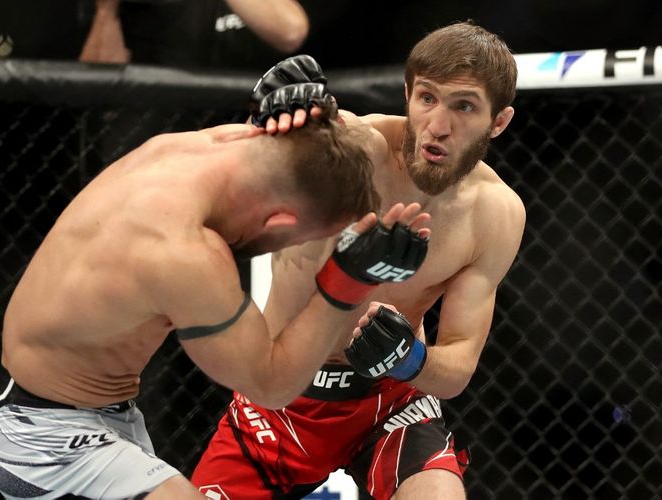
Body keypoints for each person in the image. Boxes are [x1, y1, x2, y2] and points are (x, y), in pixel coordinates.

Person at [0, 98, 433, 499]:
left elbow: (335, 145)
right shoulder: (183, 255)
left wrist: (311, 106)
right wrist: (347, 280)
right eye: (301, 241)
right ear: (279, 221)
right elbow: (271, 385)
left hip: (88, 416)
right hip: (41, 437)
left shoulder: (205, 147)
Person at [191, 21, 526, 499]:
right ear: (407, 94)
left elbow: (457, 366)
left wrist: (409, 359)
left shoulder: (496, 214)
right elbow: (278, 152)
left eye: (464, 106)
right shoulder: (355, 149)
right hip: (282, 393)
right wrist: (270, 123)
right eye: (427, 98)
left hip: (389, 403)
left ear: (499, 121)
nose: (438, 125)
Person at [79, 0, 309, 68]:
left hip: (248, 128)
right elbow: (97, 102)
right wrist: (106, 11)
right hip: (162, 138)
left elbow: (289, 32)